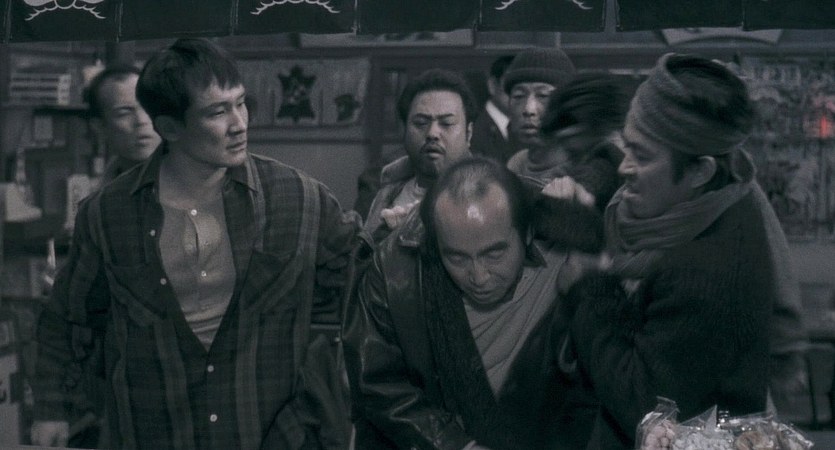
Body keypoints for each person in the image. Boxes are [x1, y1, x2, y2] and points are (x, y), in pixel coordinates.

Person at [30, 38, 360, 449]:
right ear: (169, 128)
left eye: (241, 104)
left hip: (266, 432)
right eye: (217, 112)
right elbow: (67, 319)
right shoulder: (109, 214)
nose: (239, 124)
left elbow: (362, 284)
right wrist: (51, 409)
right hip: (154, 433)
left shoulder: (299, 198)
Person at [562, 53, 808, 449]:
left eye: (642, 156)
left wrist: (588, 285)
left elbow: (644, 409)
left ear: (699, 171)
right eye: (627, 145)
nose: (625, 167)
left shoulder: (704, 271)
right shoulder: (729, 193)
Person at [343, 157, 594, 450]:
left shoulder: (566, 246)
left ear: (526, 234)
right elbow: (378, 384)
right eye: (457, 258)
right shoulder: (395, 271)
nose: (479, 276)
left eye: (494, 254)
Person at [361, 68, 476, 243]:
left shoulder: (488, 194)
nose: (432, 133)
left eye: (446, 123)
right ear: (404, 131)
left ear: (469, 133)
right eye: (421, 123)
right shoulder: (383, 195)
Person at [533, 73, 626, 253]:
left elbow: (590, 182)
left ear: (591, 127)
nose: (564, 146)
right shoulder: (613, 155)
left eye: (567, 138)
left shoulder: (602, 164)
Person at [503, 47, 576, 183]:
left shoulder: (585, 170)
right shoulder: (515, 165)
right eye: (519, 96)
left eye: (543, 95)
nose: (528, 109)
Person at [84, 63, 161, 184]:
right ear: (99, 127)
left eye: (149, 107)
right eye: (124, 113)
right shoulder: (106, 189)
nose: (142, 120)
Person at [470, 54, 516, 164]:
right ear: (493, 85)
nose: (517, 92)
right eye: (510, 83)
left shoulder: (524, 127)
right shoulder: (474, 131)